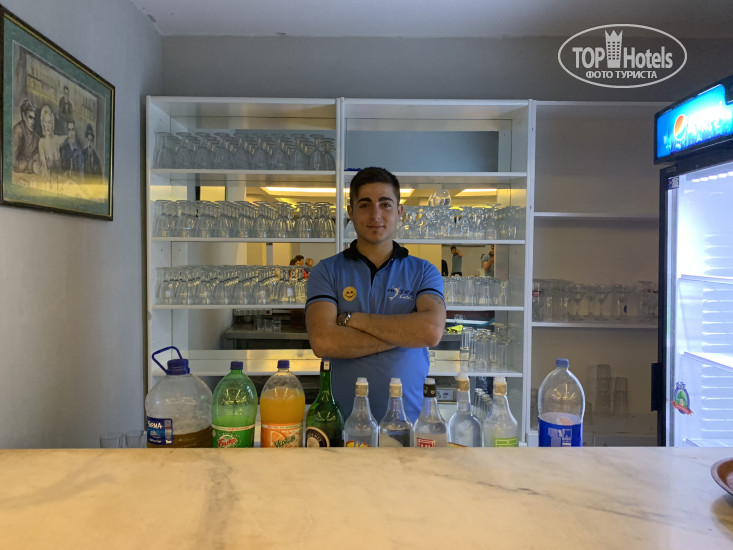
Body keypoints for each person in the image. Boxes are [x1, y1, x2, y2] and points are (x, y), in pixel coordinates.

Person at [305, 167, 446, 422]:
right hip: (341, 424)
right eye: (365, 205)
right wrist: (405, 334)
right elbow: (324, 342)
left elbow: (430, 331)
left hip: (408, 423)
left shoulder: (424, 271)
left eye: (385, 204)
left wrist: (353, 319)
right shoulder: (326, 271)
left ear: (399, 212)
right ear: (350, 212)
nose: (375, 214)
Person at [12, 98, 41, 174]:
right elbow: (12, 161)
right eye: (30, 117)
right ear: (24, 116)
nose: (33, 122)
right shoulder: (17, 131)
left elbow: (37, 157)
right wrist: (30, 166)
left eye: (34, 118)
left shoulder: (36, 138)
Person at [37, 105, 64, 185]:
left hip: (61, 182)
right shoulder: (41, 142)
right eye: (45, 122)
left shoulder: (57, 139)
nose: (48, 125)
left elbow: (70, 138)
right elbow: (44, 166)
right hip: (49, 182)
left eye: (49, 122)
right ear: (43, 124)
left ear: (52, 124)